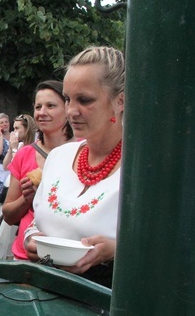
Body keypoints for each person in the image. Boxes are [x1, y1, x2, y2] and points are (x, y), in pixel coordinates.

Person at [23, 47, 125, 288]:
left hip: (104, 299)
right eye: (68, 99)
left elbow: (164, 246)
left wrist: (113, 251)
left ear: (119, 101)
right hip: (44, 293)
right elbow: (38, 221)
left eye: (85, 100)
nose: (71, 111)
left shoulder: (143, 167)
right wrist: (32, 239)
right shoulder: (59, 157)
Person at [2, 84, 74, 261]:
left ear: (67, 109)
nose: (42, 112)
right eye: (38, 106)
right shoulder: (24, 154)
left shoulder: (83, 151)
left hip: (68, 254)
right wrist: (26, 199)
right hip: (26, 254)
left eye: (51, 106)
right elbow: (8, 216)